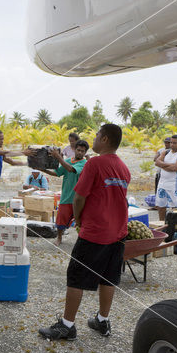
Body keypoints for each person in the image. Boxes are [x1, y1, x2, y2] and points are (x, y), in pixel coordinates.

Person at [39, 124, 130, 340]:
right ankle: (102, 320)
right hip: (118, 232)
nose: (95, 139)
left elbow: (79, 197)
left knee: (76, 276)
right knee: (108, 278)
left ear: (105, 139)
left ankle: (67, 326)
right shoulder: (124, 168)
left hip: (96, 231)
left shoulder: (94, 163)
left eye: (97, 135)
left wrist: (78, 219)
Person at [41, 140, 89, 246]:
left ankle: (81, 241)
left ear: (85, 153)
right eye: (78, 150)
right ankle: (59, 238)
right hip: (66, 196)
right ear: (74, 150)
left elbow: (71, 169)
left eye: (83, 151)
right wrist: (43, 170)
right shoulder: (68, 160)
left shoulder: (84, 163)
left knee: (81, 221)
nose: (80, 152)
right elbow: (57, 172)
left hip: (79, 198)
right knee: (61, 219)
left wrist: (58, 157)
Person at [155, 134, 177, 221]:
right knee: (161, 206)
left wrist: (163, 165)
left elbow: (174, 168)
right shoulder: (165, 152)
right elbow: (157, 162)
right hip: (162, 183)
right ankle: (162, 224)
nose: (172, 145)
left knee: (175, 207)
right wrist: (169, 165)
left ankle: (173, 227)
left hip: (174, 185)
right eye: (171, 143)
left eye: (174, 143)